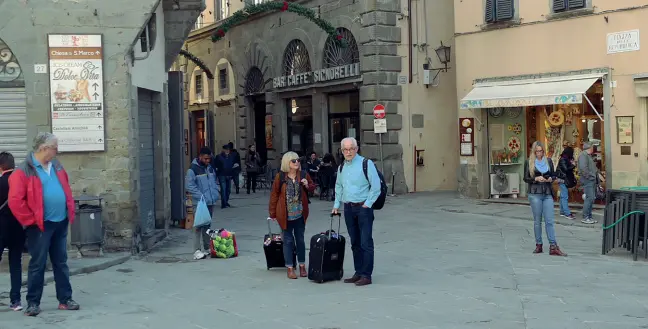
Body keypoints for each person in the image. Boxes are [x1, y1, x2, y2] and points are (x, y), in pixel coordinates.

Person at [8, 132, 79, 316]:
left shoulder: (56, 165)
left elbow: (65, 186)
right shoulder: (23, 171)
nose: (57, 151)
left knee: (61, 262)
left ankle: (65, 299)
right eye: (55, 147)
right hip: (40, 225)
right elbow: (15, 201)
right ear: (43, 148)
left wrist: (68, 208)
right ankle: (33, 302)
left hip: (60, 221)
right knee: (38, 264)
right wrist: (30, 220)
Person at [332, 137, 381, 286]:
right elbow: (338, 186)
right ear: (341, 151)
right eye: (345, 149)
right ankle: (358, 272)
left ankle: (366, 275)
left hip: (363, 208)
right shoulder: (342, 167)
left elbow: (376, 186)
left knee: (365, 242)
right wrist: (336, 204)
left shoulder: (366, 164)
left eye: (351, 149)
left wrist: (368, 204)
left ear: (356, 149)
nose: (348, 152)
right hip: (348, 208)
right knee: (355, 242)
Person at [268, 151, 315, 279]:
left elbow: (312, 188)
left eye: (298, 160)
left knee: (300, 240)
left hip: (300, 214)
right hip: (285, 214)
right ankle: (290, 267)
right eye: (293, 161)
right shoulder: (280, 177)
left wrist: (307, 184)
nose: (297, 162)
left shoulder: (304, 174)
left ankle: (302, 265)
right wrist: (272, 213)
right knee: (288, 241)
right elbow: (274, 195)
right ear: (286, 163)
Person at [523, 141, 566, 256]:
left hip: (547, 193)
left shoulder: (549, 161)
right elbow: (525, 178)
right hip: (535, 193)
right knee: (537, 220)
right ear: (534, 151)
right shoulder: (529, 162)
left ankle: (553, 246)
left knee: (549, 220)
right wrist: (536, 179)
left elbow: (553, 174)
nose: (539, 153)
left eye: (541, 151)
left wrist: (550, 179)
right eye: (537, 151)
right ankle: (539, 245)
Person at [0, 152, 25, 311]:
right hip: (17, 228)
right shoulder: (21, 183)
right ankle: (16, 301)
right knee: (15, 264)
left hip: (1, 228)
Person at [185, 147, 220, 260]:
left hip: (210, 201)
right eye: (205, 159)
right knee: (198, 226)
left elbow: (213, 181)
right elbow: (189, 185)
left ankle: (207, 247)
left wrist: (216, 193)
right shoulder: (192, 170)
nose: (207, 161)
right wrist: (201, 196)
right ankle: (196, 250)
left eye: (209, 159)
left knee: (207, 225)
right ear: (200, 157)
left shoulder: (209, 168)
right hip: (199, 202)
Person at [578, 142, 597, 224]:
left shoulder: (587, 155)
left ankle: (589, 216)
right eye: (592, 147)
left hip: (590, 180)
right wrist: (591, 176)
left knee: (591, 198)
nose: (593, 148)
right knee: (589, 198)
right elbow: (583, 168)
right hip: (588, 180)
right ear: (590, 148)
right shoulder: (583, 155)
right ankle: (586, 217)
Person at [556, 146, 576, 220]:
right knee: (565, 196)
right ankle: (567, 213)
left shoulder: (565, 159)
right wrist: (573, 165)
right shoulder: (563, 159)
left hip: (562, 179)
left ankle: (562, 212)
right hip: (563, 179)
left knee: (562, 196)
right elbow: (566, 169)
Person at [213, 144, 235, 208]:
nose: (227, 151)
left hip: (229, 174)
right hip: (221, 175)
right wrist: (217, 172)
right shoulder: (219, 157)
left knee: (228, 190)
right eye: (226, 149)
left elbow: (232, 165)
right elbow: (215, 165)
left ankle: (226, 201)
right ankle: (223, 203)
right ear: (223, 150)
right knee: (223, 189)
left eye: (228, 150)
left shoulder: (231, 157)